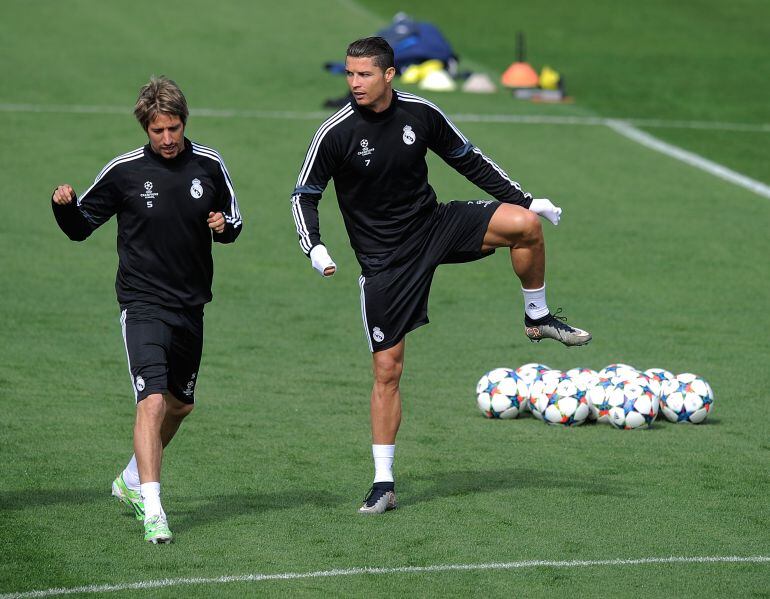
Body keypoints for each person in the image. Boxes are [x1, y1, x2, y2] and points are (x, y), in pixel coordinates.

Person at [291, 37, 591, 514]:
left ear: (389, 75)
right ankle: (383, 482)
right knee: (387, 371)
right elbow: (304, 193)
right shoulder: (336, 132)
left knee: (525, 226)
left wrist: (527, 199)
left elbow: (467, 159)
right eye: (349, 75)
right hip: (385, 259)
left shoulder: (420, 113)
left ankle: (538, 316)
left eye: (363, 74)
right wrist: (316, 246)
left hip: (433, 226)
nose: (354, 83)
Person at [51, 76, 242, 542]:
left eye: (174, 128)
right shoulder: (124, 172)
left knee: (179, 405)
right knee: (151, 400)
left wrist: (223, 225)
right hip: (141, 303)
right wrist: (64, 207)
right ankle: (154, 508)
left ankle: (132, 480)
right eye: (158, 131)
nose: (168, 138)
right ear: (146, 128)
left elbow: (234, 220)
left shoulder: (210, 165)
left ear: (183, 123)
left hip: (191, 305)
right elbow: (80, 228)